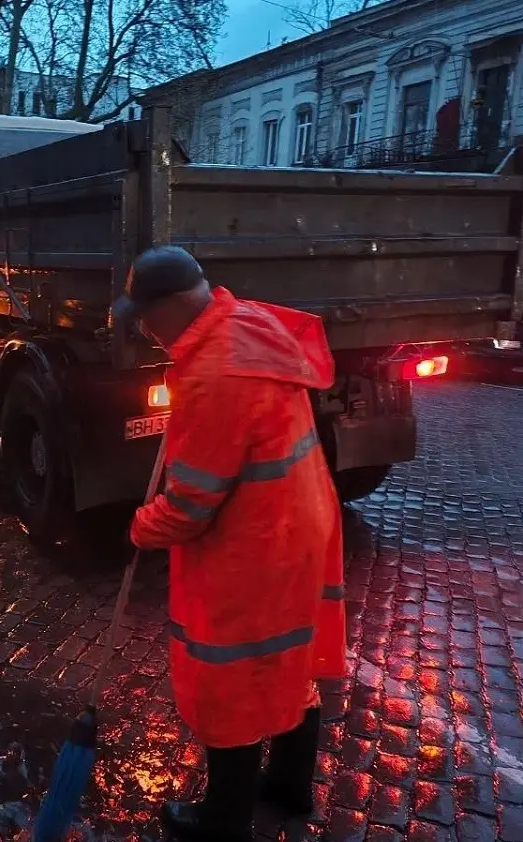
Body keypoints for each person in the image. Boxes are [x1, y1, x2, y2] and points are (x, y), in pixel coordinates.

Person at [117, 246, 347, 842]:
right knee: (287, 658)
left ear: (171, 306)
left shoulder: (214, 372)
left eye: (145, 316)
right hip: (300, 524)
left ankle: (223, 821)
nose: (143, 328)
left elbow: (191, 507)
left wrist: (142, 526)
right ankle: (290, 787)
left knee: (230, 675)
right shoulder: (247, 323)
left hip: (255, 546)